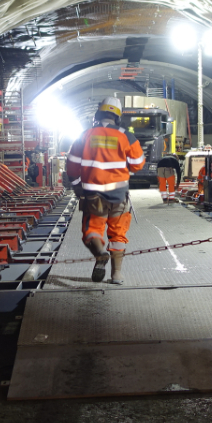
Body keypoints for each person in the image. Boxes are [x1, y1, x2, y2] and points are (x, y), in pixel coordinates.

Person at [66, 96, 145, 284]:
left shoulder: (85, 135)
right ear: (118, 117)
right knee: (118, 234)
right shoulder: (126, 135)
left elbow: (72, 166)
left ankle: (100, 253)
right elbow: (138, 164)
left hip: (93, 195)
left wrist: (77, 186)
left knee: (92, 230)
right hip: (119, 196)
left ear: (97, 114)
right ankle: (117, 274)